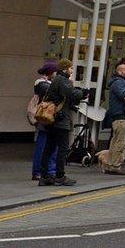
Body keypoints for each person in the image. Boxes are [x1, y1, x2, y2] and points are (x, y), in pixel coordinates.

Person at [38, 59, 84, 187]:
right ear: (65, 69)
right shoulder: (63, 80)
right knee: (62, 148)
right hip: (60, 120)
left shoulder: (57, 80)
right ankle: (60, 176)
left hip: (53, 119)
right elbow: (73, 94)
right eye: (70, 68)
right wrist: (83, 93)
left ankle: (45, 176)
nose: (71, 70)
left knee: (49, 147)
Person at [102, 63, 125, 175]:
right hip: (119, 115)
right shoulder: (119, 82)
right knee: (119, 142)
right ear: (120, 72)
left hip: (117, 115)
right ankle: (115, 166)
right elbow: (124, 95)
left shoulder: (118, 82)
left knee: (114, 142)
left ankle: (110, 165)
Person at [31, 64, 58, 181]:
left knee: (51, 146)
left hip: (49, 118)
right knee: (42, 146)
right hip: (44, 118)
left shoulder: (48, 83)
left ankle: (49, 170)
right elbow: (53, 94)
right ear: (51, 72)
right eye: (56, 72)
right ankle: (38, 171)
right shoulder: (41, 84)